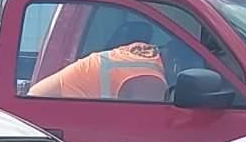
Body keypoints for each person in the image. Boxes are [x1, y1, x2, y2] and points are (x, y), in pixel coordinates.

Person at [26, 40, 169, 100]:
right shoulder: (148, 75)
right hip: (50, 115)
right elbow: (146, 119)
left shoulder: (144, 56)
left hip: (45, 106)